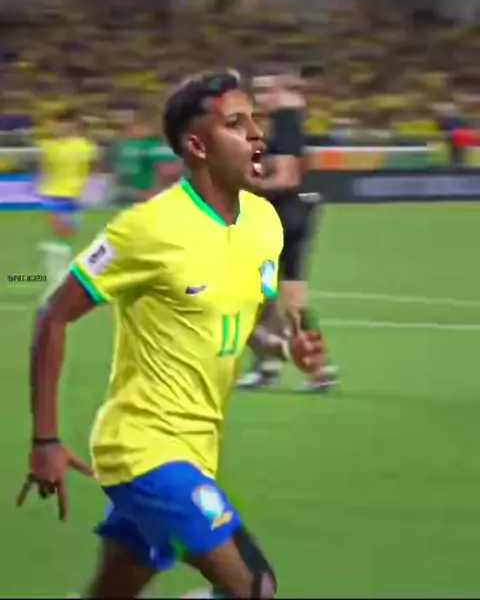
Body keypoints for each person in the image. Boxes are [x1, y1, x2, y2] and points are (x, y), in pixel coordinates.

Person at [17, 71, 325, 599]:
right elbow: (54, 314)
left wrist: (283, 347)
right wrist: (45, 438)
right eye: (236, 123)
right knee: (253, 588)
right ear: (197, 146)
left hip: (199, 448)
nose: (256, 134)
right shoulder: (148, 229)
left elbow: (237, 318)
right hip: (143, 449)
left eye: (254, 120)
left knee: (113, 590)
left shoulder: (263, 224)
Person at [237, 71, 340, 394]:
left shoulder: (286, 126)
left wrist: (246, 185)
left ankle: (280, 364)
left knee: (264, 294)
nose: (261, 96)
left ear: (285, 92)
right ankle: (312, 370)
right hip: (294, 215)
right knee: (280, 295)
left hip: (282, 219)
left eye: (267, 89)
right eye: (258, 89)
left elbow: (286, 178)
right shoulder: (286, 124)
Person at [36, 109, 99, 299]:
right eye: (56, 124)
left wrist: (90, 191)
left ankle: (65, 278)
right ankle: (57, 281)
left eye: (63, 124)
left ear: (74, 125)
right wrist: (41, 188)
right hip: (53, 194)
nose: (58, 128)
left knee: (68, 237)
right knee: (60, 233)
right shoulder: (48, 146)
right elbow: (44, 169)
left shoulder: (85, 147)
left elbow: (92, 170)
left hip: (76, 196)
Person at [110, 109, 183, 206]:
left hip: (147, 194)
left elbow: (172, 169)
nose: (129, 130)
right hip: (127, 191)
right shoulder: (124, 145)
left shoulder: (155, 146)